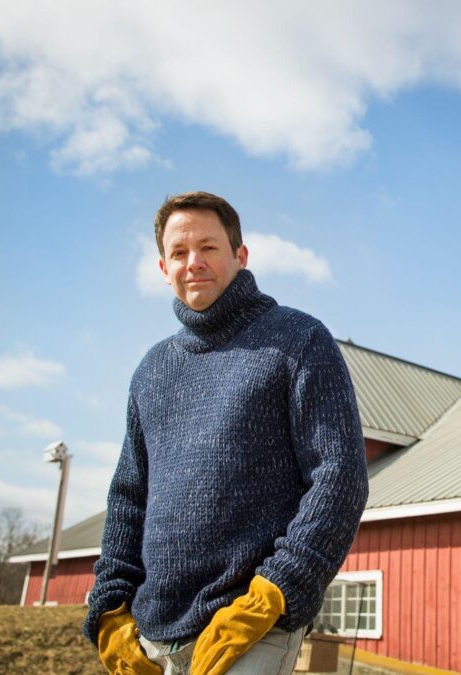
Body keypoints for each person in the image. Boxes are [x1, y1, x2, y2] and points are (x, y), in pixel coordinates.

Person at [82, 192, 369, 674]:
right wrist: (110, 608)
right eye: (179, 252)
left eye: (209, 247)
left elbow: (340, 476)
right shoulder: (151, 370)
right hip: (151, 633)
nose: (193, 262)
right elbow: (129, 498)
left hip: (250, 624)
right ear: (162, 267)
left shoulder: (298, 341)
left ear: (240, 256)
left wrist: (276, 590)